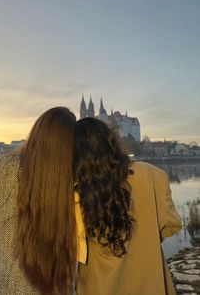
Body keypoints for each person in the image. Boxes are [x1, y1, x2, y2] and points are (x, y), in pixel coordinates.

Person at [0, 107, 86, 295]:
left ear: (37, 131)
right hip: (50, 284)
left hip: (0, 279)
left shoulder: (2, 166)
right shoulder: (72, 178)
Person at [73, 117, 182, 295]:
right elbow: (172, 225)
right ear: (112, 141)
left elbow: (72, 246)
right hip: (149, 283)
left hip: (98, 286)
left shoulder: (75, 190)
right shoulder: (153, 175)